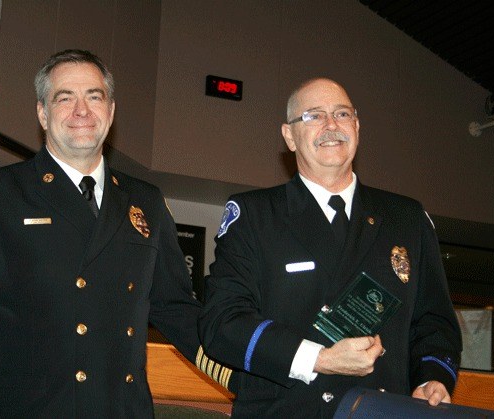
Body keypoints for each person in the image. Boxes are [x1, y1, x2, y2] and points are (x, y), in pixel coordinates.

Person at [0, 49, 233, 418]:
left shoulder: (146, 202)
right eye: (64, 98)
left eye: (94, 96)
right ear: (42, 113)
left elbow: (178, 312)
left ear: (111, 111)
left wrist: (250, 374)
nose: (82, 111)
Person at [198, 78, 462, 418]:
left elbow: (434, 322)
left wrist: (433, 378)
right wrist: (320, 359)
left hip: (381, 411)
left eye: (342, 114)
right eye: (314, 116)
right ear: (289, 136)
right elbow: (223, 323)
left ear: (357, 126)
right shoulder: (255, 216)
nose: (331, 125)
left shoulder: (406, 219)